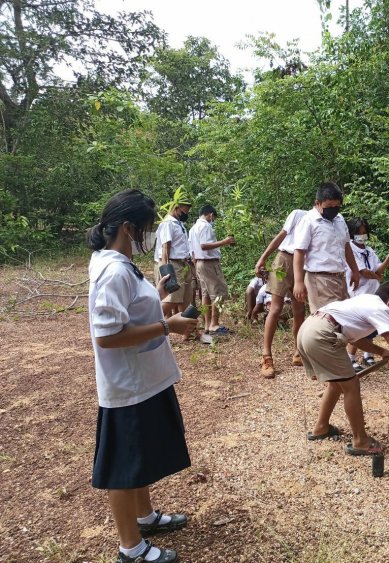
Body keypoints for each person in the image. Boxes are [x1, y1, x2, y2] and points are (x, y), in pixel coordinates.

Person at [86, 189, 199, 563]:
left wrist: (161, 300)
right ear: (128, 227)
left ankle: (145, 518)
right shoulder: (113, 270)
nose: (151, 235)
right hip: (127, 386)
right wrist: (167, 326)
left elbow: (131, 314)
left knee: (141, 456)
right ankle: (130, 548)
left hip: (144, 378)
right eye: (147, 228)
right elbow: (107, 335)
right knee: (124, 467)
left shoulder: (120, 261)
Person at [297, 281, 389, 455]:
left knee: (337, 383)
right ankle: (361, 441)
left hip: (309, 328)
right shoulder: (380, 308)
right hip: (322, 333)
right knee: (351, 385)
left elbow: (354, 338)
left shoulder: (365, 300)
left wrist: (381, 351)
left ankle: (321, 428)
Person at [293, 181, 361, 315]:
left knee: (343, 319)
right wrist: (298, 282)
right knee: (326, 320)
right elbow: (299, 252)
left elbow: (346, 246)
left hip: (340, 278)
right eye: (329, 206)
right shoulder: (309, 221)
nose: (334, 209)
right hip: (320, 280)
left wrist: (355, 270)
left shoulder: (339, 219)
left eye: (337, 206)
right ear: (318, 203)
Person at [254, 209, 307, 378]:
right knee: (275, 309)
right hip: (284, 260)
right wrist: (263, 258)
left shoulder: (323, 221)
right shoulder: (298, 214)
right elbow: (281, 235)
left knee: (299, 311)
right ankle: (266, 356)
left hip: (305, 264)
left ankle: (298, 352)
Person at [344, 217, 389, 371]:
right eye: (359, 232)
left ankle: (368, 355)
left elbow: (378, 270)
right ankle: (350, 358)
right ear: (352, 233)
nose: (362, 235)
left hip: (373, 293)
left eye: (364, 232)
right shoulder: (350, 249)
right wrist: (377, 276)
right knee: (358, 328)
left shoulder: (369, 250)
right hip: (358, 293)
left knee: (370, 327)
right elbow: (364, 272)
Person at [189, 205, 235, 337]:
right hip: (209, 263)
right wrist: (225, 241)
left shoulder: (193, 229)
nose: (212, 220)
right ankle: (214, 324)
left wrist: (195, 264)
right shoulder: (205, 226)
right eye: (213, 218)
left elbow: (193, 249)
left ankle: (208, 325)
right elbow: (204, 246)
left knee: (206, 294)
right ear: (210, 214)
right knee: (219, 292)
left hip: (199, 263)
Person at [154, 198, 193, 319]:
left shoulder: (179, 224)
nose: (185, 214)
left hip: (183, 264)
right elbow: (166, 247)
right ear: (176, 208)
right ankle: (150, 322)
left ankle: (189, 332)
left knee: (186, 299)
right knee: (173, 299)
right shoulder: (167, 224)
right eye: (184, 211)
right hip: (173, 264)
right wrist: (166, 271)